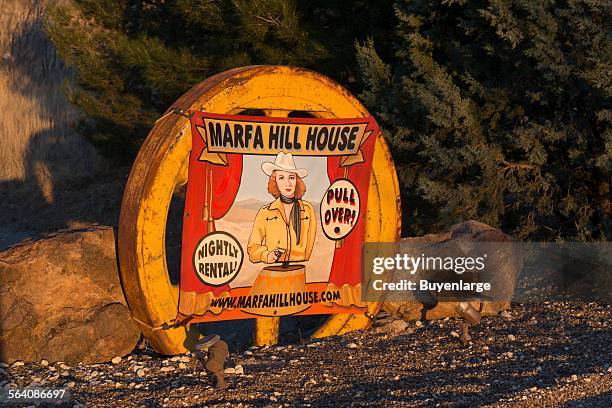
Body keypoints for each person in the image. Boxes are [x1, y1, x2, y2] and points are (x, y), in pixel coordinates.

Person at [247, 152, 316, 264]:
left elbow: (307, 251)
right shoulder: (265, 212)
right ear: (275, 182)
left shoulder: (308, 210)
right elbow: (252, 249)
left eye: (291, 177)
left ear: (297, 181)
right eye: (281, 178)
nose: (287, 183)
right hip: (274, 270)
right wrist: (266, 255)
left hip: (300, 268)